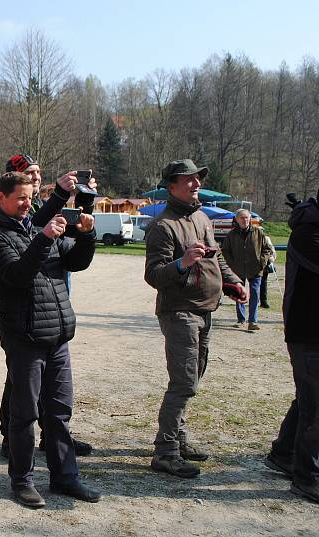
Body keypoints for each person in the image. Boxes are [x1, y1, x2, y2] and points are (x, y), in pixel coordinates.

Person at [0, 171, 101, 508]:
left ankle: (65, 478)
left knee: (59, 413)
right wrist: (44, 238)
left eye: (30, 197)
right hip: (25, 338)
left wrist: (87, 235)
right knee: (24, 415)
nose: (27, 203)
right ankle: (22, 481)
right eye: (20, 197)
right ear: (2, 198)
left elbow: (76, 262)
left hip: (57, 337)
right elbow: (18, 277)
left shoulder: (36, 225)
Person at [144, 159, 247, 479]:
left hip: (205, 309)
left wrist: (233, 283)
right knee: (184, 382)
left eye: (198, 178)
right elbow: (153, 275)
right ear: (172, 186)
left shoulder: (201, 216)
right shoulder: (163, 225)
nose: (196, 183)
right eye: (188, 180)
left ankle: (179, 437)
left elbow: (218, 259)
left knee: (193, 379)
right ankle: (166, 451)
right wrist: (182, 263)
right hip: (179, 313)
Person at [264, 191, 319, 503]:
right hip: (308, 332)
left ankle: (283, 453)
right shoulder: (306, 233)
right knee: (316, 406)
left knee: (309, 400)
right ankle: (307, 477)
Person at [221, 209, 272, 331]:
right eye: (242, 218)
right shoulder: (231, 235)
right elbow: (225, 251)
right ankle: (241, 320)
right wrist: (231, 264)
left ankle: (253, 321)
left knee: (255, 293)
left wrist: (262, 262)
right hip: (237, 269)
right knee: (240, 293)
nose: (245, 220)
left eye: (247, 218)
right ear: (237, 220)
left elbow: (267, 249)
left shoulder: (258, 233)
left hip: (255, 268)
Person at [259, 234, 276, 308]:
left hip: (264, 264)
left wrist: (272, 257)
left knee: (263, 282)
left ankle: (264, 301)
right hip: (253, 264)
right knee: (254, 284)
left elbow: (273, 251)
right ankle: (254, 300)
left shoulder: (266, 239)